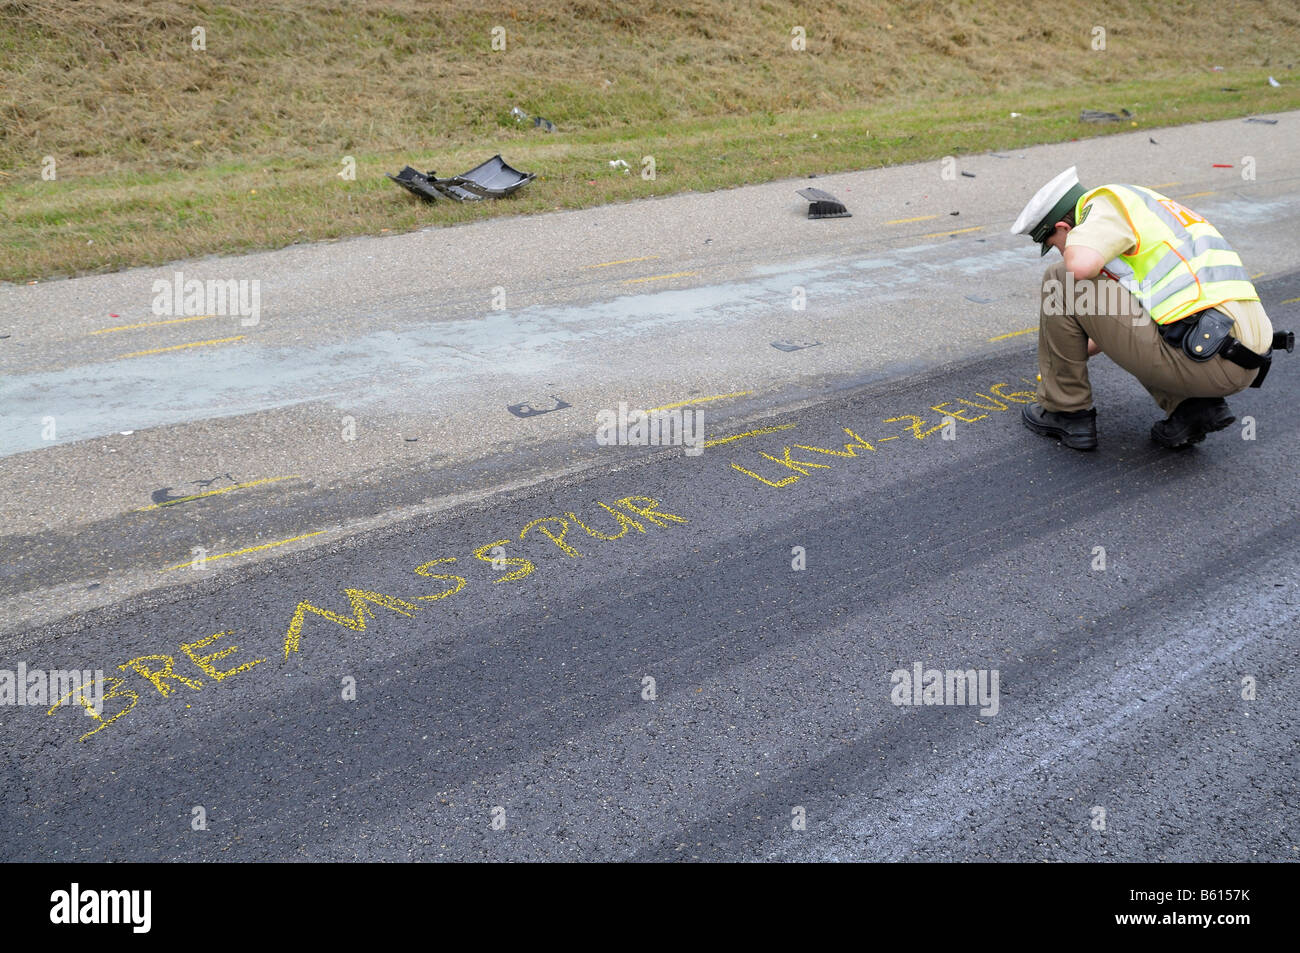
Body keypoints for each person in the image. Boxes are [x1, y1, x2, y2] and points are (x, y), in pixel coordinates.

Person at [1010, 166, 1290, 450]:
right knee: (1122, 293)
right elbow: (1132, 314)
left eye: (1055, 244)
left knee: (1062, 278)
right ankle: (1190, 408)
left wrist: (1076, 243)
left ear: (1063, 228)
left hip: (1208, 357)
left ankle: (1065, 411)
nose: (1060, 250)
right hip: (1237, 356)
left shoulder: (1101, 209)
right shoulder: (1143, 203)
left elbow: (1079, 266)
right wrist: (1069, 347)